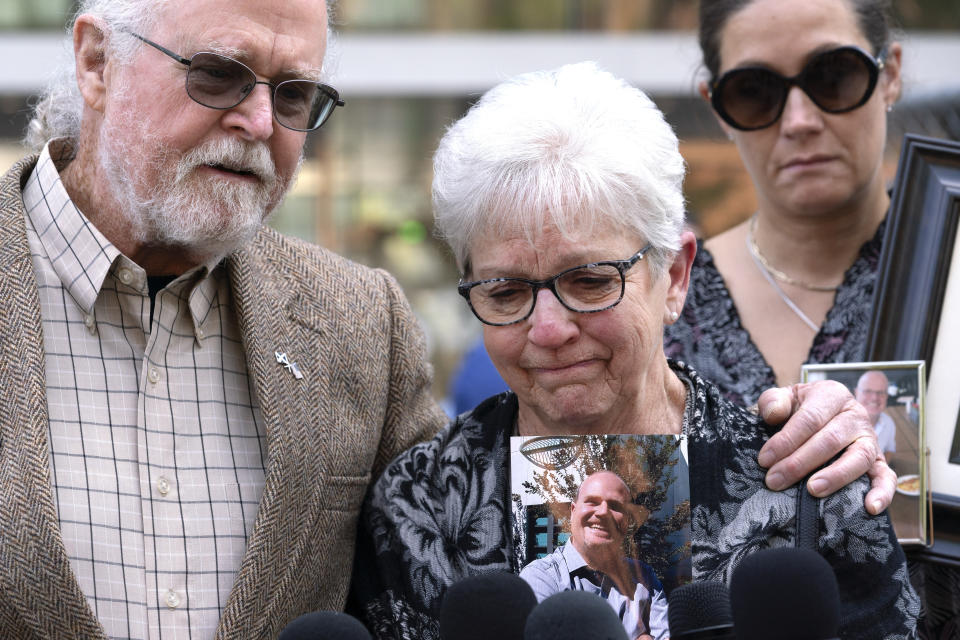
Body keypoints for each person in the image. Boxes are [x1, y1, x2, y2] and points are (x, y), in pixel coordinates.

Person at [350, 62, 918, 640]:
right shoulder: (416, 504)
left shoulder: (803, 482)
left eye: (591, 282)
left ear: (673, 276)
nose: (548, 329)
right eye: (506, 292)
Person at [0, 0, 448, 637]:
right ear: (97, 63)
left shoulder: (362, 324)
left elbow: (450, 568)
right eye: (216, 73)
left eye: (294, 96)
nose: (260, 121)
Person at [664, 0, 902, 408]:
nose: (799, 121)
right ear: (718, 107)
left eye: (833, 76)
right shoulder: (667, 302)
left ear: (890, 76)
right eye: (754, 92)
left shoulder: (945, 270)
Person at [519, 471, 669, 640]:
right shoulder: (541, 579)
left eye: (616, 506)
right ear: (573, 512)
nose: (603, 512)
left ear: (626, 522)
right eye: (592, 502)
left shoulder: (645, 578)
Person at [856, 370, 896, 461]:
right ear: (856, 392)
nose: (874, 398)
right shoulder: (842, 424)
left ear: (887, 396)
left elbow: (890, 449)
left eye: (881, 392)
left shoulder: (888, 423)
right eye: (868, 391)